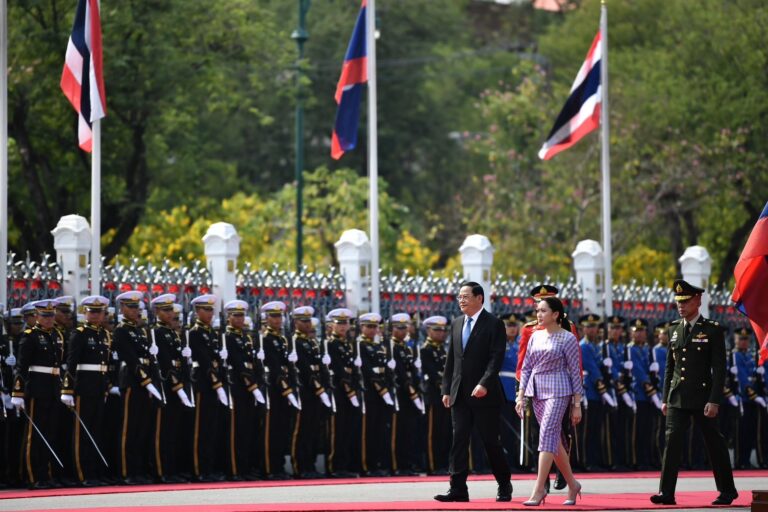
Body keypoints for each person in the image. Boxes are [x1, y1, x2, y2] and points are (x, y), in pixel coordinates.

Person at [650, 279, 738, 506]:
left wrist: (715, 400)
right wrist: (666, 398)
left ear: (697, 300)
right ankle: (666, 493)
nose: (681, 305)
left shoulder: (712, 329)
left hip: (702, 396)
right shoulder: (673, 329)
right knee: (671, 443)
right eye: (679, 301)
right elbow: (670, 368)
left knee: (714, 443)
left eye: (686, 301)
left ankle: (727, 491)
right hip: (678, 396)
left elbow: (719, 368)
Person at [434, 281, 512, 503]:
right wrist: (446, 389)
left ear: (480, 298)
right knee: (459, 440)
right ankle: (457, 489)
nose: (461, 300)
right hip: (459, 394)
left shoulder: (494, 324)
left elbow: (496, 358)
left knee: (490, 442)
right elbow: (452, 359)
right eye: (459, 296)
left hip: (484, 395)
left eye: (466, 296)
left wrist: (484, 383)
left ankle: (504, 484)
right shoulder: (457, 323)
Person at [515, 296, 583, 506]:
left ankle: (538, 489)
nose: (539, 315)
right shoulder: (535, 336)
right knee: (554, 440)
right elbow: (527, 367)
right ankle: (573, 484)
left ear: (556, 314)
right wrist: (521, 395)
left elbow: (575, 372)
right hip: (537, 391)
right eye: (537, 311)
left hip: (559, 390)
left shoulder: (568, 338)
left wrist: (577, 404)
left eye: (543, 311)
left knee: (546, 434)